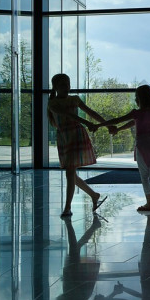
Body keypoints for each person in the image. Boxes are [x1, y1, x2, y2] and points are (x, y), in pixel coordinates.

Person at [48, 73, 108, 218]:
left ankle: (68, 207)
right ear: (55, 87)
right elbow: (70, 116)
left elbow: (90, 112)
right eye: (63, 85)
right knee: (71, 173)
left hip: (76, 137)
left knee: (70, 173)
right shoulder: (53, 103)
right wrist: (88, 123)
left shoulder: (74, 99)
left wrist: (107, 124)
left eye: (68, 84)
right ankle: (94, 195)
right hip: (65, 138)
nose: (66, 87)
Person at [98, 84, 150, 213]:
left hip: (142, 147)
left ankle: (149, 203)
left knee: (144, 176)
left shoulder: (137, 113)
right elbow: (132, 123)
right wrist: (118, 129)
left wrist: (99, 124)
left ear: (139, 98)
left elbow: (118, 120)